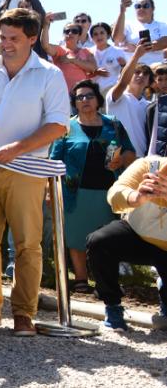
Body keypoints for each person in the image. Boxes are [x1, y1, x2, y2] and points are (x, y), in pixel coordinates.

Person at [0, 7, 69, 337]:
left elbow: (59, 124)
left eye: (13, 38)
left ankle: (24, 314)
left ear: (33, 38)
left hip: (27, 170)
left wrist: (17, 148)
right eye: (2, 37)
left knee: (27, 244)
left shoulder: (49, 74)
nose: (5, 43)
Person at [51, 80, 135, 294]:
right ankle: (81, 279)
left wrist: (121, 159)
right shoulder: (66, 128)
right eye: (80, 97)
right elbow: (54, 160)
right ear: (74, 103)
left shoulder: (113, 124)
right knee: (76, 235)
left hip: (109, 191)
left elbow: (130, 152)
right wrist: (49, 189)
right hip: (75, 192)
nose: (85, 100)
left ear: (98, 100)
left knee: (107, 238)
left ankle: (104, 281)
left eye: (89, 96)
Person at [87, 156, 167, 331]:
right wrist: (136, 197)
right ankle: (113, 306)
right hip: (137, 234)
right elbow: (115, 193)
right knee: (100, 241)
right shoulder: (149, 165)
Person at [106, 43, 153, 157]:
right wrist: (136, 55)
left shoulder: (150, 106)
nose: (141, 75)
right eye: (136, 72)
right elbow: (123, 83)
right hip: (116, 158)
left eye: (145, 74)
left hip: (142, 159)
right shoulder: (115, 96)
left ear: (149, 82)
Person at [114, 0, 167, 64]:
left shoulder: (162, 25)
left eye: (145, 6)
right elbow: (117, 38)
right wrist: (122, 11)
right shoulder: (127, 25)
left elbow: (164, 42)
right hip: (133, 70)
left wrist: (137, 48)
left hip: (155, 70)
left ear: (153, 9)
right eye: (138, 6)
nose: (141, 8)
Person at [46, 22, 97, 93]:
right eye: (67, 31)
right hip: (62, 92)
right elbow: (45, 46)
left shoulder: (86, 51)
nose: (70, 33)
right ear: (63, 35)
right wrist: (46, 25)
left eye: (74, 31)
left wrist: (73, 60)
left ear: (79, 36)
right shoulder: (59, 50)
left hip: (81, 93)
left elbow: (93, 68)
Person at [89, 22, 126, 95]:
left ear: (108, 35)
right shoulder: (88, 52)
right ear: (92, 38)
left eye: (102, 33)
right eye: (95, 34)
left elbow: (126, 72)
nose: (99, 36)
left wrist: (124, 65)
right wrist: (95, 72)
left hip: (112, 89)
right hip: (93, 92)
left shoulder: (118, 51)